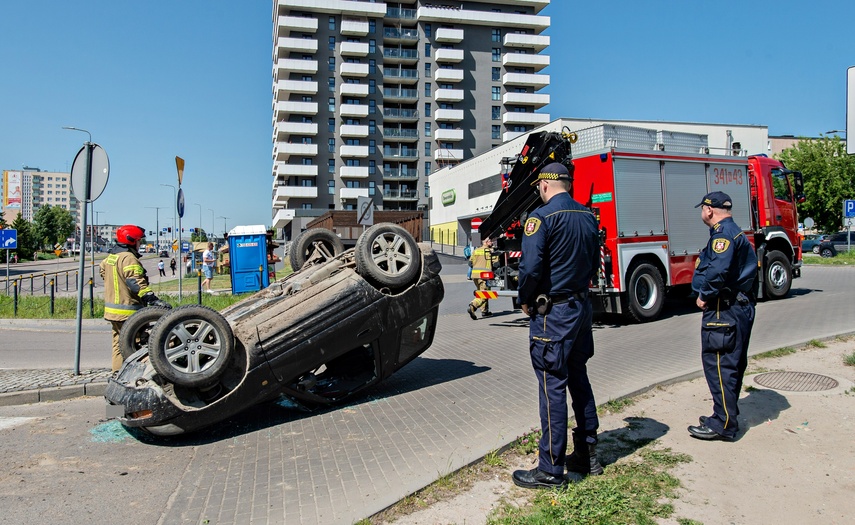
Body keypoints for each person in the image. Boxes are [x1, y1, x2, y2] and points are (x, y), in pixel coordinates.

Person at [511, 162, 602, 490]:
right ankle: (588, 455)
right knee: (579, 378)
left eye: (538, 187)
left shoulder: (540, 218)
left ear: (545, 186)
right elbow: (594, 264)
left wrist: (524, 298)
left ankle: (550, 470)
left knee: (551, 387)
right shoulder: (588, 216)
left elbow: (531, 268)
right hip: (581, 308)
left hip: (554, 314)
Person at [688, 191, 757, 441]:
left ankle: (723, 424)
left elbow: (718, 270)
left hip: (723, 307)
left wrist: (704, 295)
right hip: (736, 306)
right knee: (730, 364)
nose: (701, 213)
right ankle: (724, 415)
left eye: (702, 208)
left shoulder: (723, 235)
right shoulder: (733, 231)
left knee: (720, 365)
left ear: (709, 210)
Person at [99, 225, 171, 372]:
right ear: (131, 241)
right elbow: (135, 282)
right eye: (139, 241)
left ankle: (117, 374)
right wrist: (152, 298)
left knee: (119, 345)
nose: (140, 244)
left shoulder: (109, 259)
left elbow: (103, 274)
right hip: (128, 312)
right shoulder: (129, 258)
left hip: (113, 312)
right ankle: (135, 377)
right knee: (136, 346)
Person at [466, 237, 497, 320]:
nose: (492, 242)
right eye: (490, 241)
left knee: (482, 292)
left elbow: (470, 263)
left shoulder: (476, 251)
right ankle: (473, 306)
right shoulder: (490, 252)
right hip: (484, 276)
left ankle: (484, 311)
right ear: (486, 242)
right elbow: (496, 263)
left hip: (475, 276)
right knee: (484, 294)